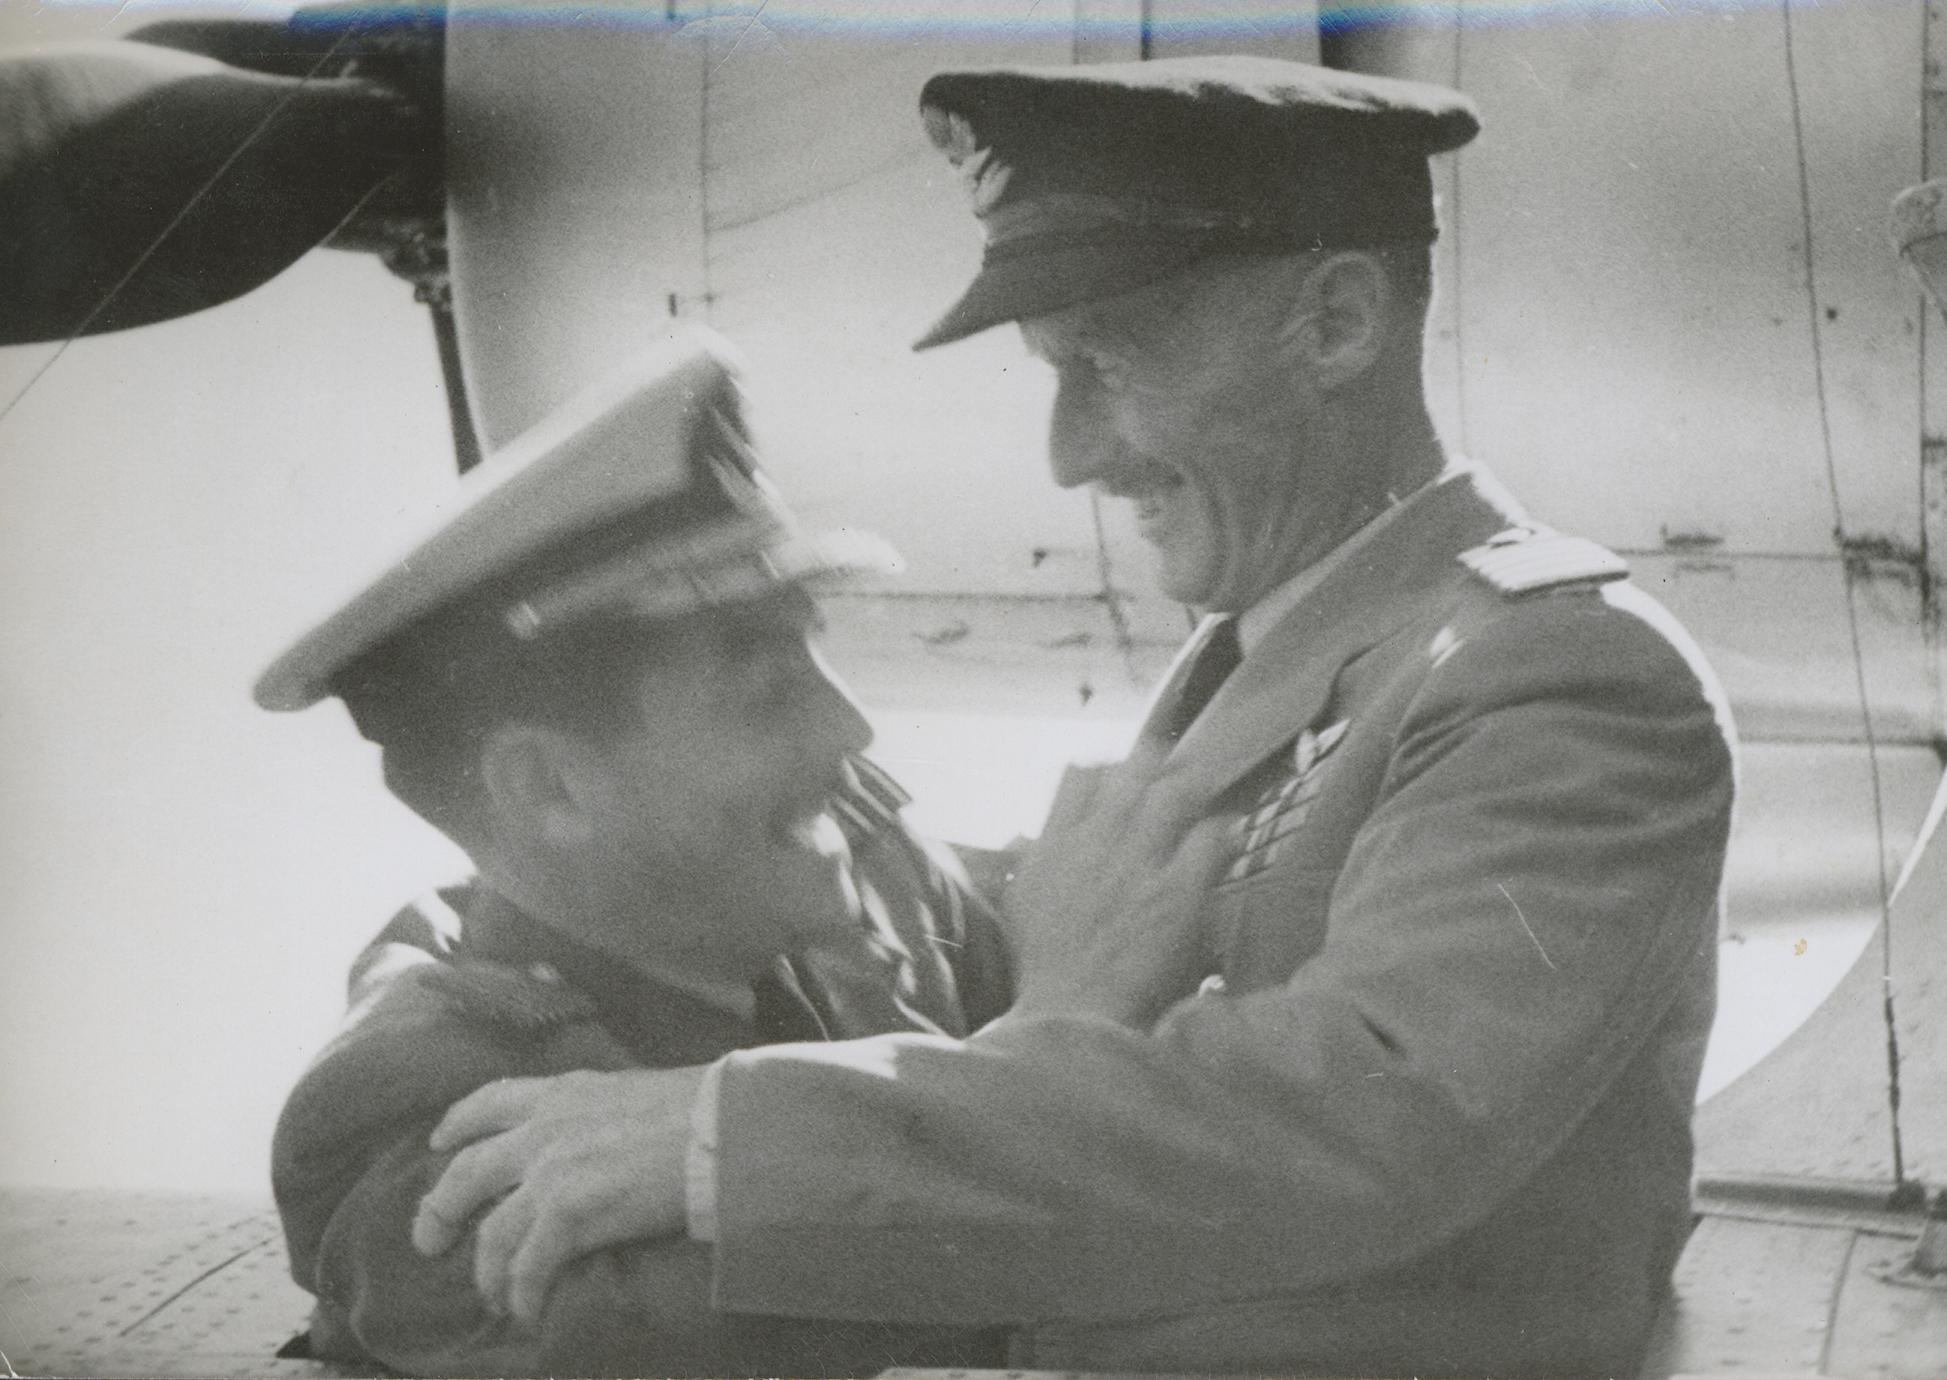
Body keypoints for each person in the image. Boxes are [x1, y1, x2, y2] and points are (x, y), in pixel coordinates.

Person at [411, 55, 1737, 1378]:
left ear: (1335, 325)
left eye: (1106, 365)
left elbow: (1375, 1103)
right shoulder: (1281, 654)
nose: (1070, 456)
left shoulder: (1558, 674)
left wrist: (729, 1140)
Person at [258, 328, 1013, 1377]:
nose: (853, 734)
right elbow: (711, 1338)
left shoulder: (862, 882)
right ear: (551, 789)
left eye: (818, 661)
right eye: (766, 691)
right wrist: (1080, 1022)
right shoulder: (415, 1110)